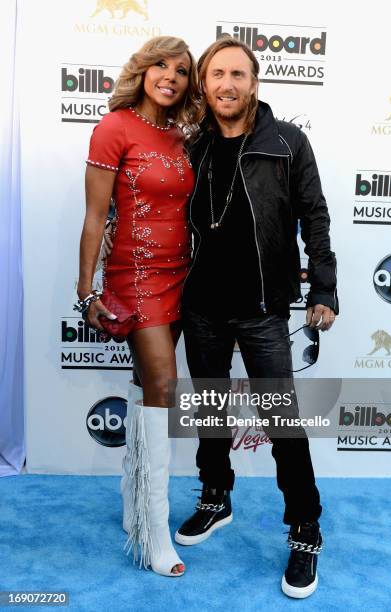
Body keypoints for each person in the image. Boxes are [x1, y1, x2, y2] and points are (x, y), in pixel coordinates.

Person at [173, 37, 338, 599]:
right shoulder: (191, 147)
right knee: (211, 414)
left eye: (238, 74)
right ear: (204, 84)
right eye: (217, 74)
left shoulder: (287, 143)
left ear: (255, 83)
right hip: (201, 308)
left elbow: (315, 217)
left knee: (282, 426)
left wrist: (325, 288)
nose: (227, 84)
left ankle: (305, 529)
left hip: (265, 309)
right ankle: (215, 498)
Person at [75, 35, 199, 577]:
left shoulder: (183, 135)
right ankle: (153, 531)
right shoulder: (114, 127)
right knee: (164, 390)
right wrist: (87, 290)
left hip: (182, 275)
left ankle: (131, 505)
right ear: (143, 70)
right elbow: (94, 216)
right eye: (161, 65)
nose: (170, 75)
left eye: (181, 69)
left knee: (146, 386)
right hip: (137, 275)